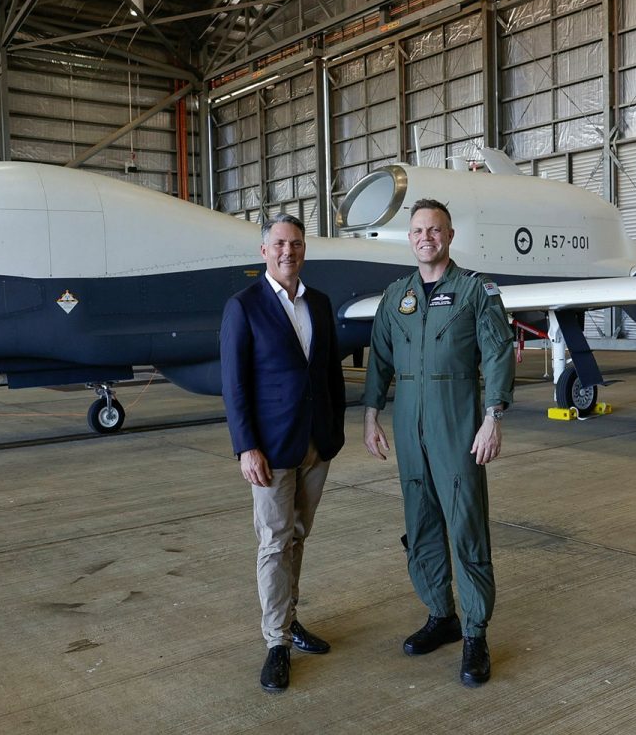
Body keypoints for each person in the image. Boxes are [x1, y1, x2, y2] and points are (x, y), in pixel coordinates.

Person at [361, 198, 515, 688]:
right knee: (421, 521)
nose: (426, 237)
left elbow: (497, 351)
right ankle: (440, 615)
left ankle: (475, 632)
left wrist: (493, 416)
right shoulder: (397, 295)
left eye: (435, 230)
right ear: (410, 239)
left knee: (465, 524)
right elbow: (379, 358)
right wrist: (370, 415)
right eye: (418, 231)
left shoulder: (475, 290)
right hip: (408, 420)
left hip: (457, 418)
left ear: (448, 236)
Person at [220, 214, 346, 693]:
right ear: (263, 251)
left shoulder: (319, 302)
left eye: (295, 244)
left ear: (303, 250)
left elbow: (329, 374)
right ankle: (276, 642)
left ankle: (290, 621)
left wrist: (334, 430)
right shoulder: (244, 306)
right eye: (278, 244)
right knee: (274, 543)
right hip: (269, 450)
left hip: (316, 444)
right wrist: (245, 446)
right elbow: (234, 385)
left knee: (297, 537)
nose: (287, 251)